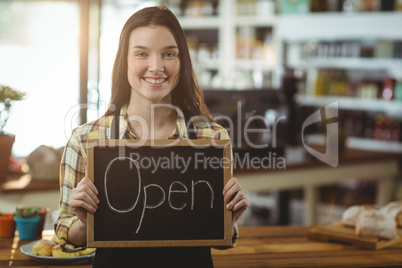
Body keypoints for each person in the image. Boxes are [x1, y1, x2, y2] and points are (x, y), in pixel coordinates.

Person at [54, 6, 250, 268]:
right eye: (141, 54)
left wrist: (229, 219)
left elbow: (219, 240)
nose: (156, 67)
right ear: (124, 61)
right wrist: (84, 223)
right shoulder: (85, 139)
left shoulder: (212, 138)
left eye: (169, 54)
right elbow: (69, 238)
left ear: (182, 62)